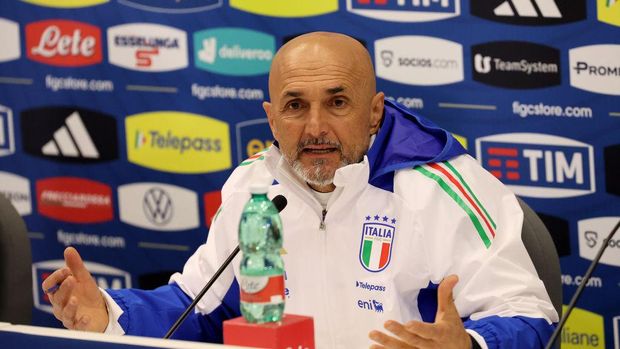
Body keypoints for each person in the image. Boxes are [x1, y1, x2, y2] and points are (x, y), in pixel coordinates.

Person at [43, 32, 558, 348]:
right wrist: (107, 314)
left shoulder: (439, 185)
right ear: (271, 117)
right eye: (295, 106)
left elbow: (528, 313)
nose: (315, 127)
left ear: (374, 111)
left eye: (337, 103)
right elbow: (195, 309)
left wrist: (468, 345)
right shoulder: (253, 189)